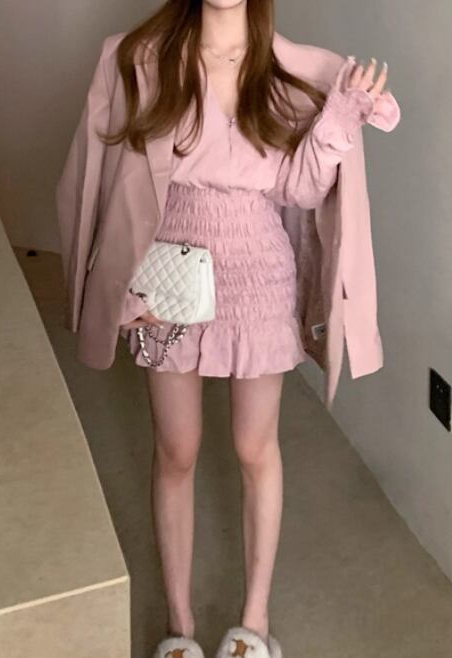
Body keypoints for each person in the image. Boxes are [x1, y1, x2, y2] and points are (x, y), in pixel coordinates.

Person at [57, 2, 397, 657]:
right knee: (176, 450)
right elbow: (97, 181)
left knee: (253, 448)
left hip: (257, 271)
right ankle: (178, 626)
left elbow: (300, 190)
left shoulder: (291, 70)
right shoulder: (138, 60)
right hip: (167, 275)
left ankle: (254, 624)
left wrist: (339, 121)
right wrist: (116, 284)